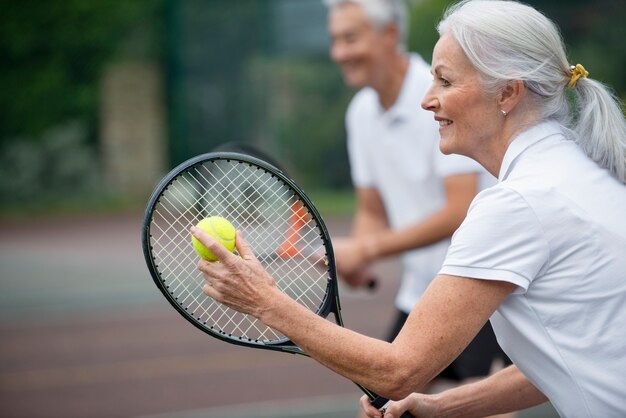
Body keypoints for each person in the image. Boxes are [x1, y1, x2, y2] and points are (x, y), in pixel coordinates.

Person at [191, 0, 626, 416]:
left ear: (507, 93)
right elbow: (562, 358)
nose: (427, 99)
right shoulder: (580, 167)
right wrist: (442, 408)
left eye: (446, 81)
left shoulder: (517, 204)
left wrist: (264, 301)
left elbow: (398, 372)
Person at [323, 0, 508, 395]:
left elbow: (458, 211)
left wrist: (368, 248)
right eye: (335, 40)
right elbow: (372, 208)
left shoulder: (441, 97)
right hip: (422, 291)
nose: (339, 52)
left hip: (479, 285)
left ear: (389, 34)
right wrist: (358, 251)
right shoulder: (360, 112)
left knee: (482, 406)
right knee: (384, 401)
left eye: (350, 38)